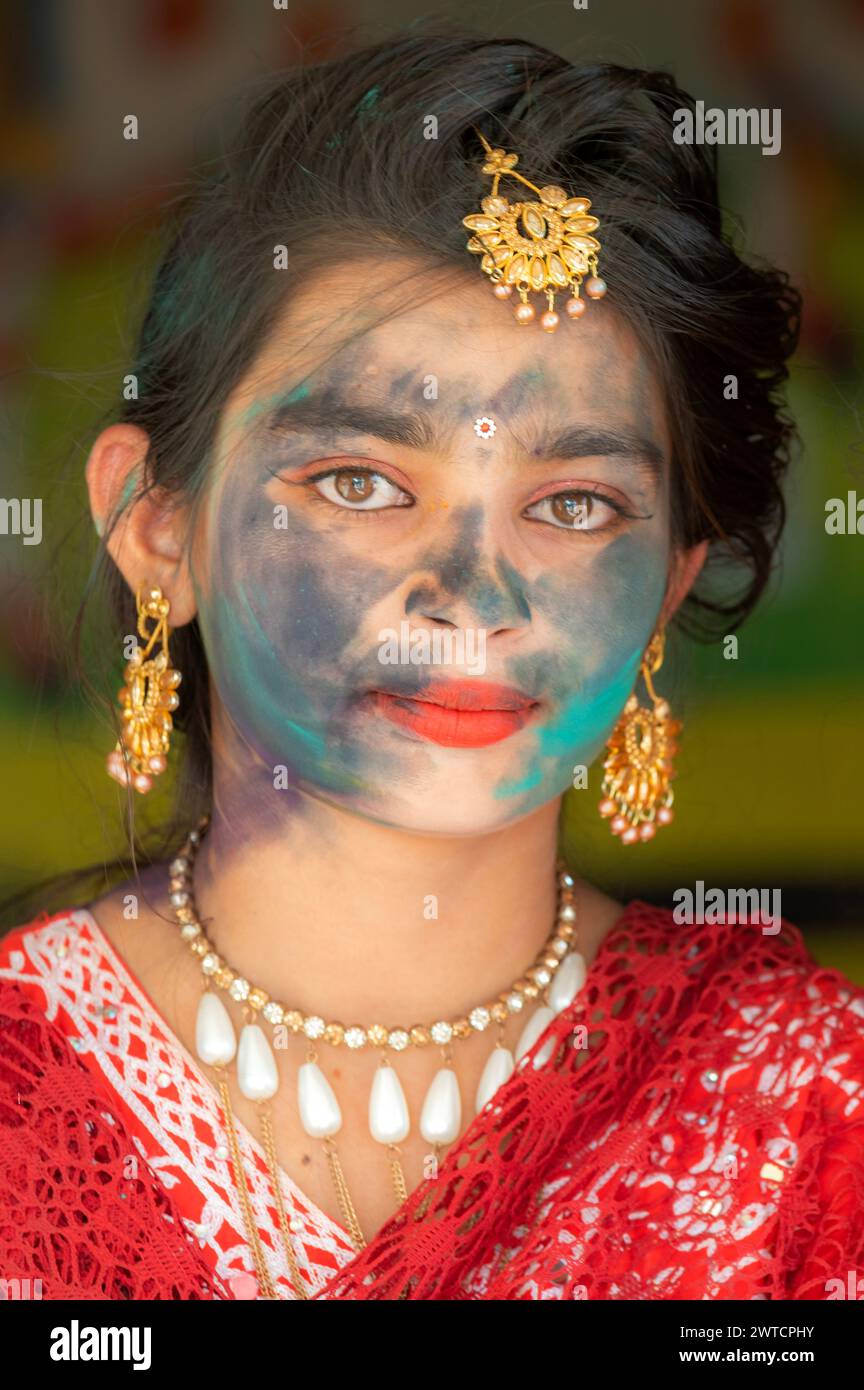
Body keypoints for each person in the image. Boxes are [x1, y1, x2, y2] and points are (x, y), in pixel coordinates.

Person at [1, 32, 862, 1302]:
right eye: (359, 482)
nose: (474, 593)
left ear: (670, 587)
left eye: (574, 504)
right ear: (154, 524)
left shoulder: (807, 1115)